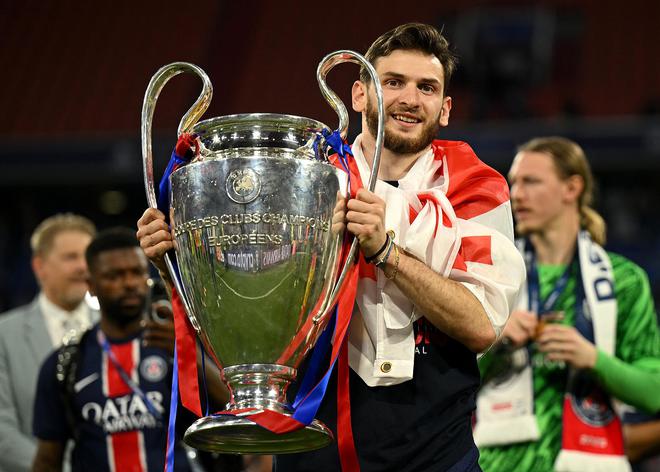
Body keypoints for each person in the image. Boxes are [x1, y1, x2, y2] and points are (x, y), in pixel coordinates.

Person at [137, 23, 525, 471]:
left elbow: (481, 325)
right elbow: (252, 308)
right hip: (313, 448)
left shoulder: (476, 189)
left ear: (445, 108)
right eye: (393, 82)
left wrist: (387, 252)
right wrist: (176, 261)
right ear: (359, 94)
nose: (410, 99)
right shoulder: (304, 182)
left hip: (437, 455)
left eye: (427, 88)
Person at [475, 137, 660, 471]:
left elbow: (654, 392)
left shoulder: (625, 281)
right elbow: (448, 380)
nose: (516, 194)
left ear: (572, 188)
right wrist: (492, 339)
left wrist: (593, 359)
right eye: (514, 183)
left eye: (531, 182)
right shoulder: (491, 273)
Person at [31, 227, 196, 471]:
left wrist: (188, 354)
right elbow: (47, 460)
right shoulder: (64, 364)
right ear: (91, 285)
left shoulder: (173, 344)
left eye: (137, 272)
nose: (129, 283)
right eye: (114, 276)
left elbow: (228, 409)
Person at [0, 213, 96, 472]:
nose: (83, 267)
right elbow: (2, 432)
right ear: (39, 266)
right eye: (70, 257)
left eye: (88, 256)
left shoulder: (119, 329)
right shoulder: (4, 335)